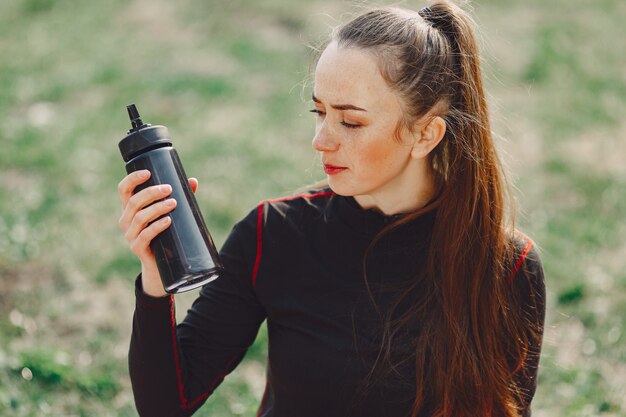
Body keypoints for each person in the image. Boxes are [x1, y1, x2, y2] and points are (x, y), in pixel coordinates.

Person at [117, 2, 545, 416]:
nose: (321, 140)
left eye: (351, 122)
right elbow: (165, 405)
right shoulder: (273, 234)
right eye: (318, 111)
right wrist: (156, 276)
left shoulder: (507, 266)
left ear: (426, 135)